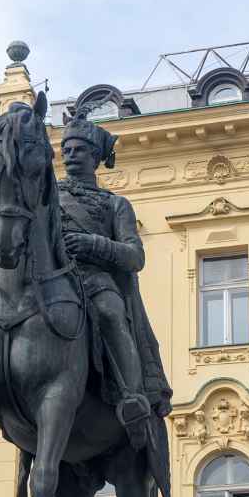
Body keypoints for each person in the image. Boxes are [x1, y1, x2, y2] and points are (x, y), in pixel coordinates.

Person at [59, 106, 172, 449]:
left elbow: (134, 256)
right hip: (51, 279)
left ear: (95, 157)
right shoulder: (49, 195)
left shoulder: (114, 205)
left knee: (110, 313)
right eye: (65, 150)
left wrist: (93, 243)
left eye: (79, 150)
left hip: (94, 280)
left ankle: (132, 397)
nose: (70, 156)